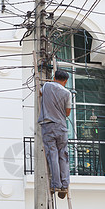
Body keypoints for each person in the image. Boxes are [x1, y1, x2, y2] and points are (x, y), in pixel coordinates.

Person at [38, 70, 72, 199]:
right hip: (61, 127)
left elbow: (40, 93)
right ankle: (64, 185)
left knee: (52, 155)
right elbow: (67, 112)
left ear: (54, 77)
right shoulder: (67, 93)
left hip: (48, 125)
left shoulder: (46, 86)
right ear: (65, 81)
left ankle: (55, 184)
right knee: (63, 155)